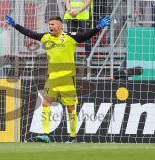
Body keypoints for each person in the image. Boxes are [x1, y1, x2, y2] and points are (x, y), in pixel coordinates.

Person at [6, 15, 111, 143]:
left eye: (53, 24)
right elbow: (30, 33)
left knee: (70, 108)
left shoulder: (70, 38)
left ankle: (72, 137)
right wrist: (16, 25)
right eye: (49, 24)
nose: (50, 27)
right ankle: (45, 134)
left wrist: (97, 28)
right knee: (45, 103)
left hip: (67, 78)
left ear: (60, 26)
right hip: (52, 78)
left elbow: (85, 36)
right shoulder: (46, 37)